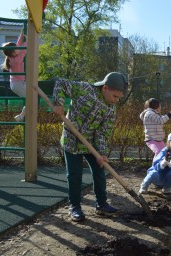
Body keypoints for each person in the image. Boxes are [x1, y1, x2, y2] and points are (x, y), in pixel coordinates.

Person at [52, 72, 128, 222]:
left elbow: (103, 132)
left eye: (119, 98)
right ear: (105, 88)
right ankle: (74, 206)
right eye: (115, 96)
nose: (117, 101)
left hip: (91, 144)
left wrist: (102, 153)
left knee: (100, 171)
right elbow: (60, 82)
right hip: (71, 141)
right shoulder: (84, 89)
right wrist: (59, 103)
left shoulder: (110, 110)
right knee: (74, 175)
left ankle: (101, 204)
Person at [1, 28, 27, 121]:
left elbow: (18, 45)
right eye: (15, 49)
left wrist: (22, 34)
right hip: (18, 84)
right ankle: (21, 116)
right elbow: (23, 50)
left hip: (16, 84)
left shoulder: (12, 57)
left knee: (31, 99)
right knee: (32, 100)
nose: (17, 48)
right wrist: (27, 40)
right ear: (13, 53)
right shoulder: (16, 59)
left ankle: (21, 115)